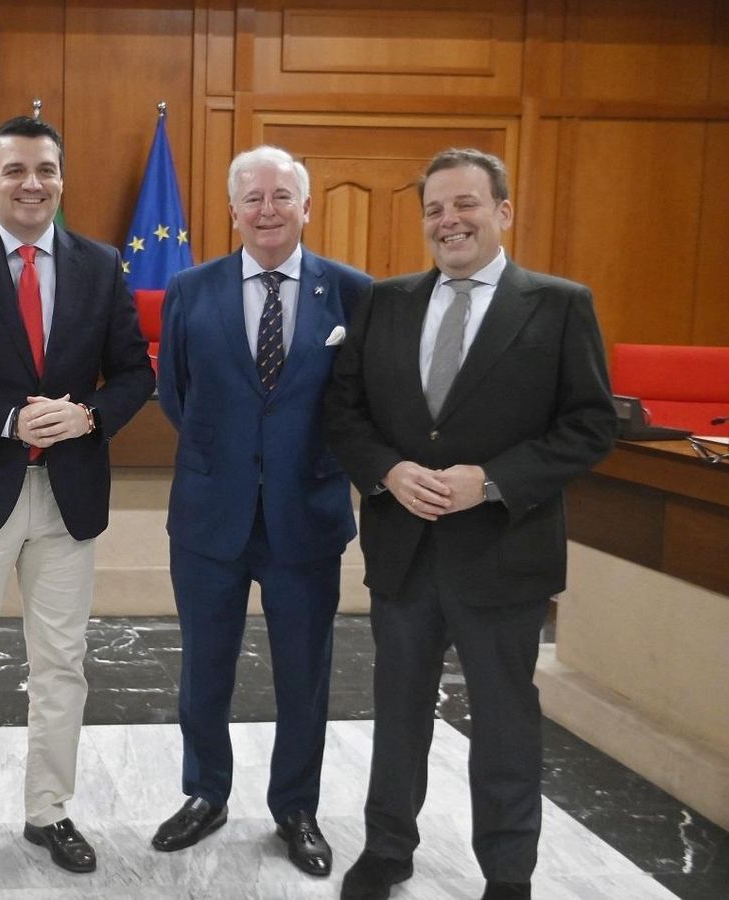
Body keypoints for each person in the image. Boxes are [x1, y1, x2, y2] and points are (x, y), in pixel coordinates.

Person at [323, 148, 618, 900]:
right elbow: (345, 414)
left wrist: (490, 482)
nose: (448, 221)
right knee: (397, 718)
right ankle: (387, 851)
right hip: (405, 554)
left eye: (466, 205)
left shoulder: (558, 305)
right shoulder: (385, 303)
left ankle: (508, 873)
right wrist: (387, 471)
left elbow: (588, 427)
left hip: (503, 555)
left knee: (504, 727)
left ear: (503, 212)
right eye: (434, 209)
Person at [0, 115, 155, 876]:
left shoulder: (101, 265)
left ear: (62, 179)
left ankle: (49, 812)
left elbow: (135, 371)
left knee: (62, 663)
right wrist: (7, 419)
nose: (31, 183)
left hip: (69, 494)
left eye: (45, 169)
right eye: (14, 170)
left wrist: (90, 414)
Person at [154, 146, 372, 877]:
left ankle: (296, 809)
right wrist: (232, 456)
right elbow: (176, 395)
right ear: (233, 209)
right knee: (204, 669)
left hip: (305, 515)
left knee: (304, 672)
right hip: (210, 515)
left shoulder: (351, 293)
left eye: (282, 196)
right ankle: (205, 793)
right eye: (253, 198)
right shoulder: (191, 288)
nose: (268, 210)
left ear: (307, 207)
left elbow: (358, 401)